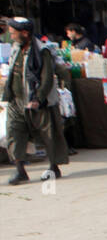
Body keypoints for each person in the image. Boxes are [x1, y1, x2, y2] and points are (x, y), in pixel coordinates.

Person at [3, 18, 68, 184]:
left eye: (13, 33)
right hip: (16, 100)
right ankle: (20, 170)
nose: (11, 36)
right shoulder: (16, 48)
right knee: (14, 132)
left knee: (49, 134)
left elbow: (46, 78)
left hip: (39, 101)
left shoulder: (42, 50)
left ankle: (54, 167)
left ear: (25, 33)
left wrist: (38, 98)